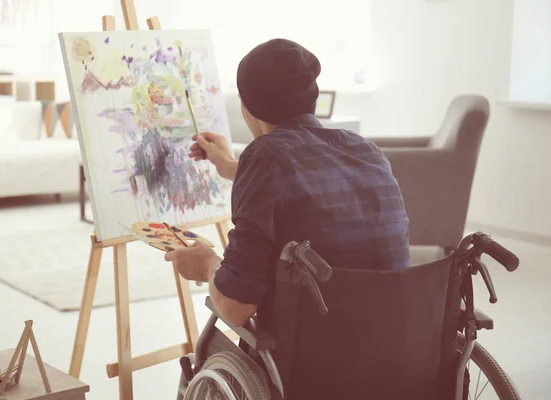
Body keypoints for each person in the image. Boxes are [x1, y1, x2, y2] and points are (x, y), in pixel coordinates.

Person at [165, 38, 411, 329]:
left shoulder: (265, 158)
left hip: (320, 348)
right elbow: (302, 183)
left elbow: (236, 307)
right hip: (394, 338)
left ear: (247, 106)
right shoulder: (367, 150)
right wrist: (229, 165)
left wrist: (206, 264)